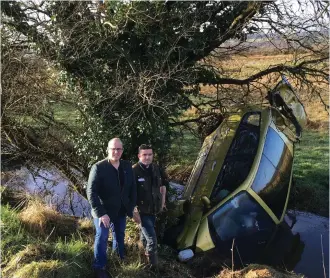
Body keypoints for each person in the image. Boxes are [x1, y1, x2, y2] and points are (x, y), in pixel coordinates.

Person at [87, 138, 136, 278]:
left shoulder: (127, 166)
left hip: (120, 210)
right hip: (103, 212)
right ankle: (99, 267)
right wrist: (101, 213)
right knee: (102, 237)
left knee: (119, 236)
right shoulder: (98, 167)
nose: (116, 152)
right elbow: (91, 192)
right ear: (107, 150)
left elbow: (133, 189)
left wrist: (131, 207)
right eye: (113, 149)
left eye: (119, 149)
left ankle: (118, 260)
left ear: (122, 151)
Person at [132, 144, 168, 269]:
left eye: (150, 154)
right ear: (139, 156)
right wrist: (133, 211)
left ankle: (142, 256)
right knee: (152, 239)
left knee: (145, 236)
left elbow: (163, 186)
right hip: (141, 211)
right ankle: (153, 267)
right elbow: (128, 193)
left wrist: (162, 203)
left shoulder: (156, 168)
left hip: (154, 209)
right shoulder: (133, 170)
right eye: (144, 155)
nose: (147, 157)